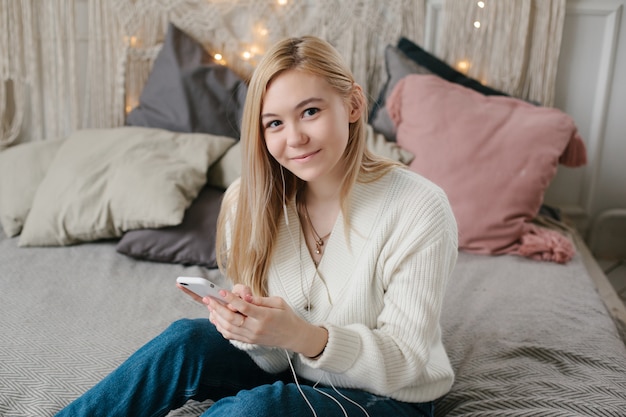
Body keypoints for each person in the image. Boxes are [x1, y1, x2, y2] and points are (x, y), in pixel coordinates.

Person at [55, 35, 458, 417]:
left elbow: (406, 364)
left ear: (353, 105)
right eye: (274, 124)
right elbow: (270, 357)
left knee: (257, 410)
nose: (295, 138)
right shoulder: (247, 202)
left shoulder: (418, 207)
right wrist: (246, 329)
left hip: (386, 397)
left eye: (310, 112)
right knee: (185, 341)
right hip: (293, 367)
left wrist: (303, 336)